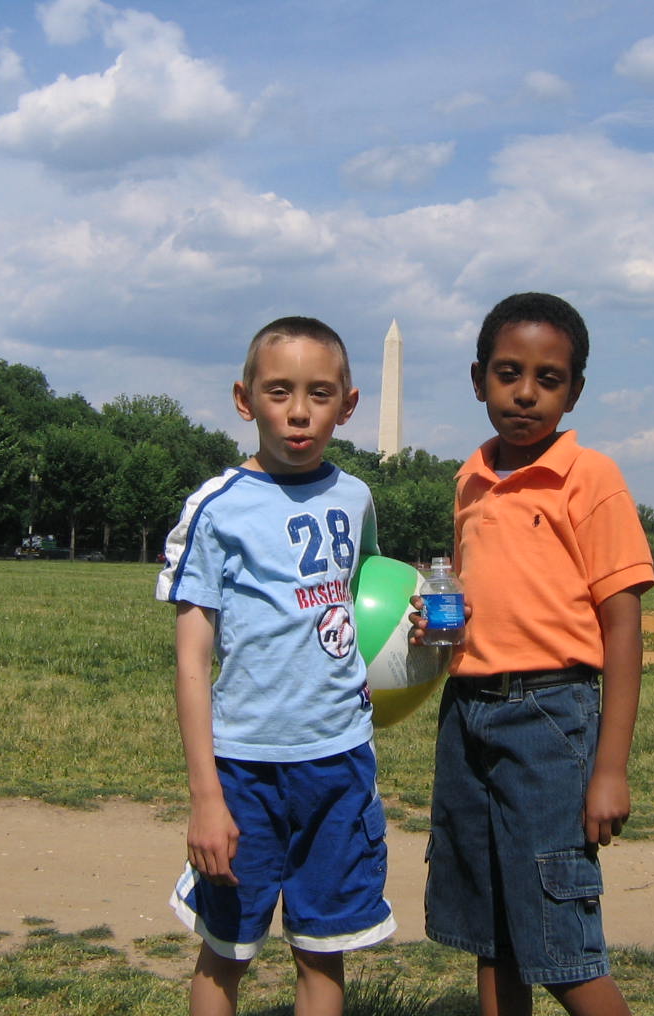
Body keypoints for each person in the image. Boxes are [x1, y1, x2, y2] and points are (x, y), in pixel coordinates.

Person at [416, 292, 654, 1016]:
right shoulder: (470, 478)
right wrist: (442, 629)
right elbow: (480, 601)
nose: (525, 393)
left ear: (575, 389)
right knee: (492, 929)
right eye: (507, 372)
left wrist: (609, 768)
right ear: (478, 377)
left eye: (548, 379)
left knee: (558, 939)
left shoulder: (592, 477)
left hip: (550, 716)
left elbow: (623, 628)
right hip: (468, 712)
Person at [158, 316, 395, 1016]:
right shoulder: (217, 508)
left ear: (348, 405)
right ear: (244, 398)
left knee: (325, 949)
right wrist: (206, 797)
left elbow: (366, 598)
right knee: (225, 949)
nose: (298, 412)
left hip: (340, 761)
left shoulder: (356, 497)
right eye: (279, 391)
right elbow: (192, 661)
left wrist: (416, 633)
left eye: (320, 394)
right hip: (244, 768)